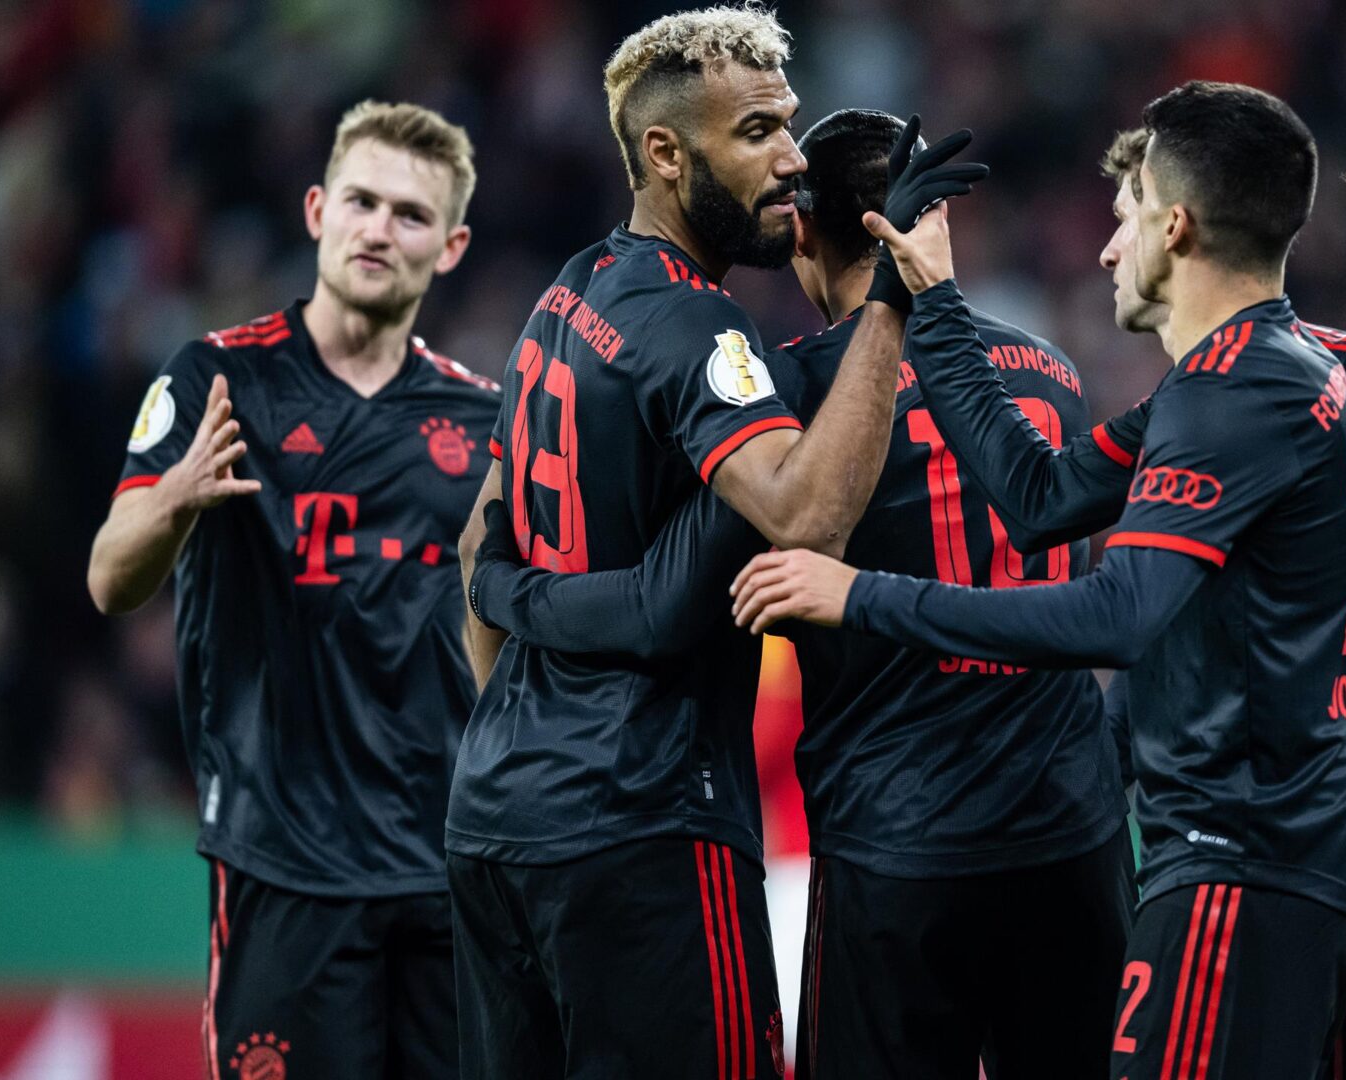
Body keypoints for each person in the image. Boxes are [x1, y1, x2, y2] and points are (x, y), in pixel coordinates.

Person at [730, 81, 1346, 1080]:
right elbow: (1039, 500)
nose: (1104, 248)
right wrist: (935, 302)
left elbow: (1120, 613)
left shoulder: (1232, 392)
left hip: (1227, 860)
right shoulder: (1241, 371)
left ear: (1176, 225)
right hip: (1156, 842)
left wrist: (856, 595)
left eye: (1124, 218)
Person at [467, 107, 1130, 1078]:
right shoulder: (1053, 373)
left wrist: (512, 597)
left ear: (810, 229)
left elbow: (669, 596)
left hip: (898, 839)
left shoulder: (795, 398)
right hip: (1073, 828)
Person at [443, 8, 984, 1077]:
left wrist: (534, 741)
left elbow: (478, 554)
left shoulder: (563, 297)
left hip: (497, 822)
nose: (792, 161)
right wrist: (892, 300)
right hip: (645, 830)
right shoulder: (701, 328)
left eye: (787, 126)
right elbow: (808, 515)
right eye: (755, 135)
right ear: (663, 152)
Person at [86, 100, 493, 1080]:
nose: (378, 229)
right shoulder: (218, 379)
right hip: (284, 865)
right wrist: (177, 498)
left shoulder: (484, 419)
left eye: (410, 214)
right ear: (317, 210)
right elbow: (110, 576)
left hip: (447, 868)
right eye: (361, 201)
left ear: (451, 247)